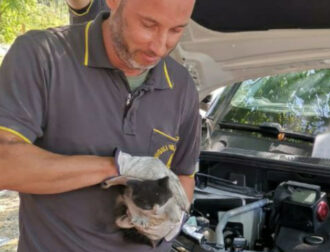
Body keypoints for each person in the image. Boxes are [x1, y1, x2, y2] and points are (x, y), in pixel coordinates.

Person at [0, 0, 200, 251]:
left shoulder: (181, 87)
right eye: (148, 25)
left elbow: (184, 174)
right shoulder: (44, 55)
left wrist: (170, 219)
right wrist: (118, 167)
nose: (159, 47)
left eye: (176, 30)